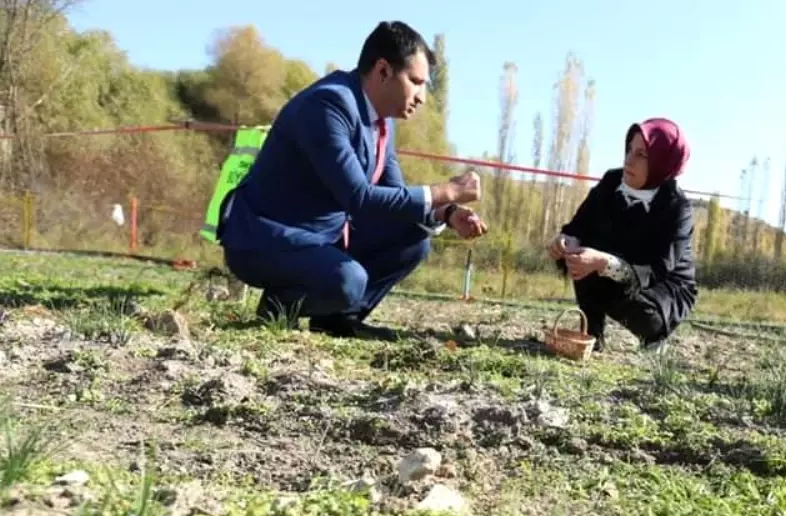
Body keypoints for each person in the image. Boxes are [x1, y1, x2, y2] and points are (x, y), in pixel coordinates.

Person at [216, 21, 488, 341]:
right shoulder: (328, 105)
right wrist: (448, 189)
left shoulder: (382, 120)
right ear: (383, 70)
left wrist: (448, 210)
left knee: (414, 238)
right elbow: (359, 198)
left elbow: (393, 195)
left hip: (320, 238)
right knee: (349, 279)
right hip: (265, 239)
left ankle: (337, 319)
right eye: (416, 82)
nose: (422, 97)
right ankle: (278, 306)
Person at [547, 118, 697, 353]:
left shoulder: (677, 208)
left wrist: (604, 262)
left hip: (662, 287)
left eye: (641, 155)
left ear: (661, 162)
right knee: (583, 257)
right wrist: (567, 241)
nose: (628, 159)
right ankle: (592, 335)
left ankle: (654, 337)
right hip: (616, 264)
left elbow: (657, 268)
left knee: (638, 306)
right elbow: (579, 225)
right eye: (629, 150)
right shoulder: (611, 182)